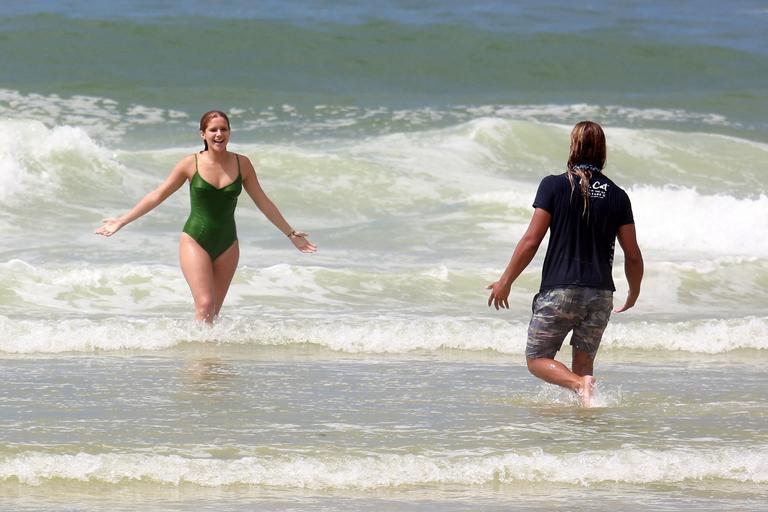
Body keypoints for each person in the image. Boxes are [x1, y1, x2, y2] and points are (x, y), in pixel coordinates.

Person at [96, 110, 316, 323]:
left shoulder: (243, 164)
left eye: (223, 129)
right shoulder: (190, 163)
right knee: (205, 304)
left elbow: (263, 201)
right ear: (203, 134)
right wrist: (121, 221)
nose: (219, 134)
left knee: (213, 313)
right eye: (213, 130)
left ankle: (206, 359)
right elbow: (158, 195)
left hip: (228, 243)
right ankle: (200, 360)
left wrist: (291, 233)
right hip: (195, 239)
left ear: (230, 132)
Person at [487, 121, 643, 407]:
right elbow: (632, 254)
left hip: (560, 291)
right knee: (584, 365)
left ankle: (577, 385)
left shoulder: (554, 186)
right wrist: (633, 292)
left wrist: (505, 281)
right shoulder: (618, 196)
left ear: (573, 147)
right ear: (602, 151)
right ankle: (582, 426)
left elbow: (531, 240)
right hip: (600, 295)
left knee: (537, 359)